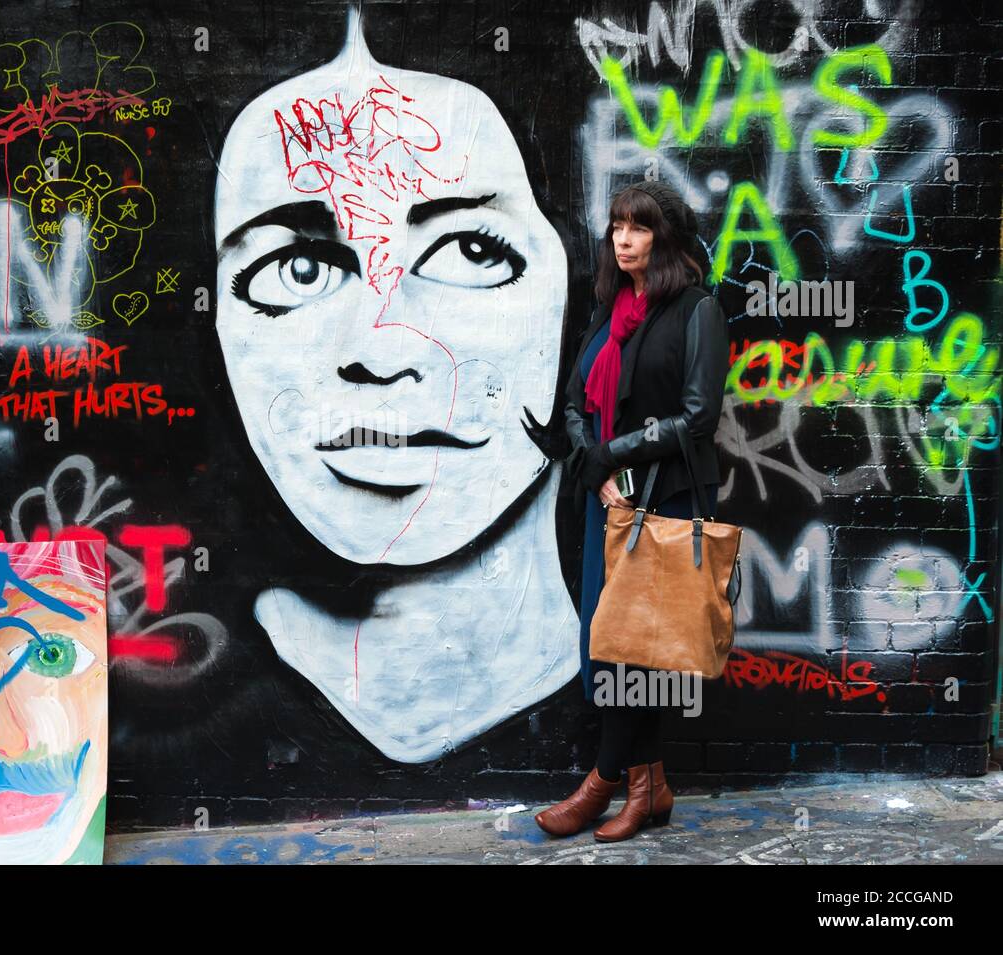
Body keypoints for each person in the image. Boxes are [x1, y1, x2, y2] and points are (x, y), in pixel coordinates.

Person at [210, 7, 583, 763]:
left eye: (473, 250)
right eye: (299, 269)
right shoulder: (192, 692)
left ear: (575, 284)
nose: (377, 349)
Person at [535, 180, 728, 842]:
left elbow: (700, 416)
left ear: (664, 238)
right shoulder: (608, 306)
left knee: (636, 653)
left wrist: (614, 452)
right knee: (616, 644)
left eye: (638, 227)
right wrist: (596, 467)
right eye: (616, 224)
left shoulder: (696, 309)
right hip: (610, 505)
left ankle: (603, 783)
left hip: (664, 502)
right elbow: (572, 402)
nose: (622, 238)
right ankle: (651, 787)